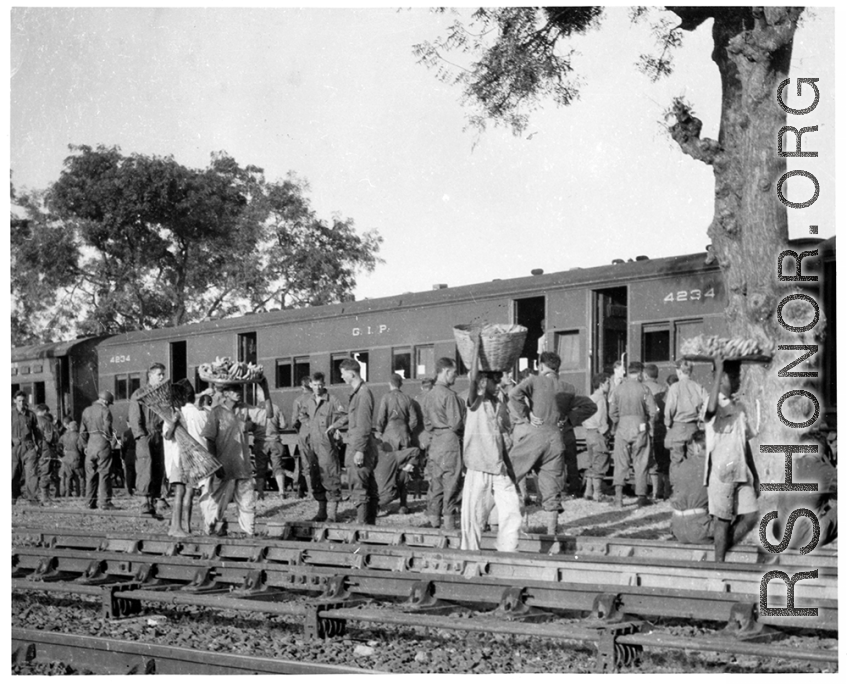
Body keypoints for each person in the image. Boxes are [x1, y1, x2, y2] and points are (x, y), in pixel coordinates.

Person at [509, 351, 597, 534]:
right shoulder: (568, 387)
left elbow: (513, 394)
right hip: (557, 439)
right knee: (552, 486)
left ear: (541, 366)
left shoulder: (534, 380)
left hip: (536, 435)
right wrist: (569, 419)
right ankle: (551, 532)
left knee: (507, 474)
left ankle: (494, 524)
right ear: (558, 368)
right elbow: (590, 406)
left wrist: (527, 415)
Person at [460, 336, 522, 555]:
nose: (499, 386)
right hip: (478, 466)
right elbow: (474, 380)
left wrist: (510, 469)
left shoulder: (497, 403)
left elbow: (499, 440)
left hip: (497, 466)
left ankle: (507, 552)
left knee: (512, 510)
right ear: (485, 382)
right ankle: (469, 556)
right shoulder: (476, 401)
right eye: (496, 382)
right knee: (474, 517)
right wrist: (477, 347)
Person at [702, 356, 759, 563]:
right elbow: (709, 413)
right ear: (721, 376)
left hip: (741, 471)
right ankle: (719, 564)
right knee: (722, 521)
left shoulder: (739, 407)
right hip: (721, 473)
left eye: (738, 376)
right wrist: (717, 372)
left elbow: (745, 442)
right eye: (732, 376)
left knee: (751, 516)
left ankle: (721, 551)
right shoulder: (713, 403)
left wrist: (756, 475)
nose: (737, 381)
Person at [200, 377, 272, 537]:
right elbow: (209, 440)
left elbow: (268, 414)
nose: (239, 393)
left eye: (239, 390)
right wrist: (214, 465)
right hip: (223, 467)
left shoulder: (245, 410)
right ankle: (209, 532)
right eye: (234, 390)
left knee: (247, 503)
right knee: (215, 503)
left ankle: (249, 534)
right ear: (225, 393)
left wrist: (265, 390)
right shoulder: (216, 413)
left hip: (243, 466)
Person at [330, 358, 379, 524]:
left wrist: (359, 450)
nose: (342, 377)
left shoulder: (363, 394)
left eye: (343, 374)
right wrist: (336, 425)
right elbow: (352, 416)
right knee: (365, 485)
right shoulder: (358, 393)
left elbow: (364, 424)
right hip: (358, 443)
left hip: (359, 445)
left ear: (351, 373)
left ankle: (363, 526)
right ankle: (367, 525)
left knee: (359, 485)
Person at [421, 357, 465, 530]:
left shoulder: (428, 395)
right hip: (450, 441)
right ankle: (448, 525)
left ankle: (434, 522)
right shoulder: (450, 396)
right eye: (454, 373)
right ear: (446, 372)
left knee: (436, 483)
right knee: (451, 484)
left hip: (435, 443)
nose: (455, 377)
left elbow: (427, 424)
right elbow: (456, 424)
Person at [609, 361, 658, 508]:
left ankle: (618, 498)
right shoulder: (644, 389)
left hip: (622, 427)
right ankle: (641, 497)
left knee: (620, 462)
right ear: (641, 373)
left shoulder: (618, 390)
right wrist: (648, 422)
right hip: (640, 427)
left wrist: (619, 421)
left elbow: (612, 412)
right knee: (641, 461)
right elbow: (653, 411)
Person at [163, 379, 208, 537]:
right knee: (180, 492)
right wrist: (174, 422)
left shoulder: (179, 413)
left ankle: (181, 527)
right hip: (177, 459)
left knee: (185, 491)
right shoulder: (171, 415)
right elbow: (168, 435)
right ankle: (175, 528)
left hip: (184, 457)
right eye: (182, 397)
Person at [375, 373, 418, 514]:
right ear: (401, 384)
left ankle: (382, 501)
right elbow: (414, 420)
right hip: (404, 434)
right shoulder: (407, 398)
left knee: (387, 467)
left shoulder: (386, 397)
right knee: (405, 468)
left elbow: (381, 417)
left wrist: (379, 431)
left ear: (390, 383)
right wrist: (406, 430)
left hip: (389, 434)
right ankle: (403, 505)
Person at [305, 372, 346, 522]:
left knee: (330, 476)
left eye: (320, 384)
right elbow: (302, 415)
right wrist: (310, 426)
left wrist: (334, 426)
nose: (318, 387)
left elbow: (345, 416)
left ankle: (332, 515)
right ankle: (321, 512)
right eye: (315, 385)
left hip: (327, 445)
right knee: (316, 477)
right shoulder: (309, 401)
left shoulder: (332, 400)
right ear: (310, 385)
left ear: (324, 384)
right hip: (313, 445)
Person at [129, 363, 167, 515]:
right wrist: (140, 435)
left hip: (160, 433)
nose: (162, 377)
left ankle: (159, 497)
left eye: (163, 374)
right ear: (150, 375)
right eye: (159, 374)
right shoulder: (139, 393)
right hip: (145, 433)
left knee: (160, 466)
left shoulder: (163, 394)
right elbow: (134, 416)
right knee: (145, 465)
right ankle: (144, 499)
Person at [664, 359, 705, 499]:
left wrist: (668, 423)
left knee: (676, 460)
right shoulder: (698, 387)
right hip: (694, 427)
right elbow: (706, 406)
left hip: (678, 427)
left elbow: (669, 408)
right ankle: (693, 490)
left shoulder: (674, 388)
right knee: (694, 459)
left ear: (678, 371)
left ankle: (677, 491)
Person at [669, 430, 713, 544]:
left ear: (697, 446)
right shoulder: (713, 465)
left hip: (678, 526)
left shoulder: (683, 464)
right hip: (699, 527)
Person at [79, 390, 116, 510]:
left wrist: (85, 445)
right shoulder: (105, 410)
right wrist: (110, 439)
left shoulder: (86, 410)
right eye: (109, 403)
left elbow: (82, 431)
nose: (109, 405)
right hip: (102, 443)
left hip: (90, 444)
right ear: (105, 401)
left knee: (90, 475)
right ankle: (105, 502)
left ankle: (90, 502)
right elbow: (107, 427)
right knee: (104, 472)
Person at [582, 373, 611, 501]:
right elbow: (601, 419)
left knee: (592, 463)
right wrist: (606, 433)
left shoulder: (589, 398)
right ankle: (597, 493)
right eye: (608, 383)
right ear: (601, 385)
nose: (610, 386)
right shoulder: (601, 399)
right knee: (600, 461)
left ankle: (588, 492)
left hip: (589, 433)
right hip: (598, 434)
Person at [643, 363, 670, 500]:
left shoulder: (643, 388)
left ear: (645, 375)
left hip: (646, 428)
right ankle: (663, 490)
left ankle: (652, 491)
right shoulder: (663, 389)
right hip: (662, 428)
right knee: (663, 459)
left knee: (649, 460)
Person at [12, 391, 40, 504]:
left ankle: (32, 499)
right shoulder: (9, 414)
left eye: (23, 400)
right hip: (14, 448)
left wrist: (38, 446)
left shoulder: (31, 415)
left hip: (29, 447)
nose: (22, 403)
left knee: (32, 474)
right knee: (13, 474)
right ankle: (13, 497)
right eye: (19, 400)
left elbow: (37, 432)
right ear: (15, 401)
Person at [255, 402, 286, 500]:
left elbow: (249, 426)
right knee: (278, 466)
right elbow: (284, 425)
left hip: (261, 442)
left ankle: (260, 493)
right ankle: (281, 492)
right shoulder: (276, 407)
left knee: (260, 468)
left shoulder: (255, 409)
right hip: (275, 441)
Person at [291, 375, 315, 498]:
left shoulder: (298, 400)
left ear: (302, 386)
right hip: (318, 433)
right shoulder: (318, 398)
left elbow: (294, 421)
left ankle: (311, 491)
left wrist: (299, 428)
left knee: (306, 463)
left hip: (304, 433)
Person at [33, 404, 58, 504]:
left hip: (31, 447)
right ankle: (45, 497)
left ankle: (33, 496)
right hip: (44, 448)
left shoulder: (31, 419)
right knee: (45, 472)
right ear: (44, 411)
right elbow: (49, 438)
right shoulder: (45, 422)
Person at [58, 420, 85, 498]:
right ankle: (81, 493)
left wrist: (62, 455)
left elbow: (59, 446)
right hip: (76, 456)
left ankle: (67, 494)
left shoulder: (63, 436)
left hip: (66, 457)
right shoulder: (78, 436)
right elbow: (80, 448)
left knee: (68, 476)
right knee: (81, 476)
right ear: (76, 427)